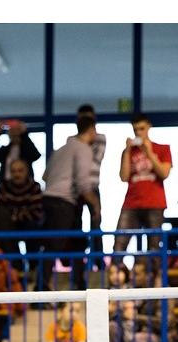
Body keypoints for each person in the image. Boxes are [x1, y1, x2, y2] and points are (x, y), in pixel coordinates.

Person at [40, 114, 101, 290]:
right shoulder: (83, 149)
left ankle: (79, 282)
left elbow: (45, 175)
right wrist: (95, 205)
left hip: (52, 199)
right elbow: (83, 182)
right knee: (55, 245)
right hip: (63, 201)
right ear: (91, 130)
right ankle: (42, 288)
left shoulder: (61, 149)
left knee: (77, 241)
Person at [114, 112, 172, 259]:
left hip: (154, 203)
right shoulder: (128, 152)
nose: (139, 132)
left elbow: (164, 173)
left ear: (149, 127)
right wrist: (127, 152)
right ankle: (116, 277)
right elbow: (124, 177)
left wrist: (149, 153)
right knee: (119, 243)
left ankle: (155, 278)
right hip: (131, 203)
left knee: (154, 245)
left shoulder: (162, 149)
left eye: (141, 128)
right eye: (135, 130)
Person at [70, 105, 107, 266]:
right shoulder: (72, 140)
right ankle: (77, 262)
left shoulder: (100, 138)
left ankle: (98, 261)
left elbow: (94, 158)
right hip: (76, 188)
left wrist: (81, 144)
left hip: (92, 185)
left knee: (96, 222)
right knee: (75, 224)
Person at [0, 158, 44, 277]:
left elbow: (37, 212)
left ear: (26, 171)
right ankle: (16, 270)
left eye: (20, 170)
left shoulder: (34, 187)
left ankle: (33, 269)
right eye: (14, 171)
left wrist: (15, 215)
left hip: (29, 225)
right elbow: (0, 212)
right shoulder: (4, 187)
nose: (17, 174)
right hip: (10, 225)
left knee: (34, 231)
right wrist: (20, 213)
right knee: (4, 231)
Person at [0, 118, 41, 187]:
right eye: (12, 132)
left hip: (25, 186)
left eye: (17, 132)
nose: (15, 134)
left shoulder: (26, 150)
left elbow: (35, 155)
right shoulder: (5, 150)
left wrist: (24, 134)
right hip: (6, 186)